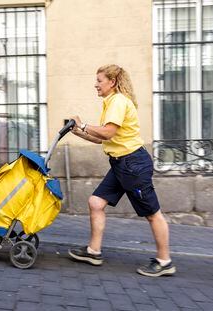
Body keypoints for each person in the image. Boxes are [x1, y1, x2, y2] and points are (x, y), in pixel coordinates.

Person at [67, 64, 176, 277]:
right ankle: (93, 251)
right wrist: (79, 132)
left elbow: (107, 132)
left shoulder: (118, 101)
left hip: (133, 165)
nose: (95, 84)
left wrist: (84, 125)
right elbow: (103, 139)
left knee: (152, 213)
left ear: (112, 82)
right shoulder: (111, 103)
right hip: (120, 164)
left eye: (99, 80)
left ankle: (165, 261)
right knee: (96, 202)